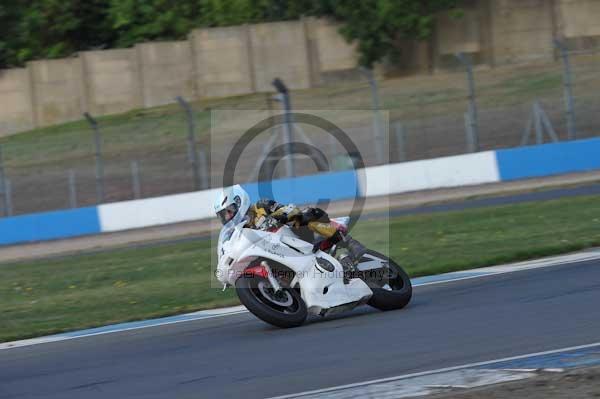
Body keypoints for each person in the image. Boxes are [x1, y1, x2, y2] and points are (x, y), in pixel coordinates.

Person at [213, 184, 366, 262]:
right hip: (280, 253)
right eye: (223, 215)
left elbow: (288, 209)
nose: (227, 217)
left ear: (239, 202)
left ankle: (349, 242)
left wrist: (280, 216)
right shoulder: (241, 231)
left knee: (302, 216)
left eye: (229, 211)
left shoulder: (261, 206)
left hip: (298, 237)